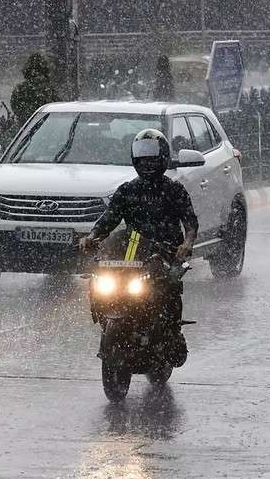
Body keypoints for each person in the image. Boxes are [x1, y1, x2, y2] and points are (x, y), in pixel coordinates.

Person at [79, 128, 198, 360]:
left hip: (166, 252)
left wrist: (187, 243)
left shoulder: (174, 190)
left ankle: (171, 333)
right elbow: (108, 220)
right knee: (101, 278)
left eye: (152, 156)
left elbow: (190, 222)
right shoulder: (127, 190)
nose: (147, 162)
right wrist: (92, 237)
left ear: (163, 157)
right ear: (135, 158)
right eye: (142, 156)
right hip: (132, 251)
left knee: (169, 286)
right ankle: (108, 316)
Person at [10, 53, 57, 124]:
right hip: (46, 124)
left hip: (25, 125)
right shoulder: (49, 88)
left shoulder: (20, 88)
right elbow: (56, 106)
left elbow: (15, 106)